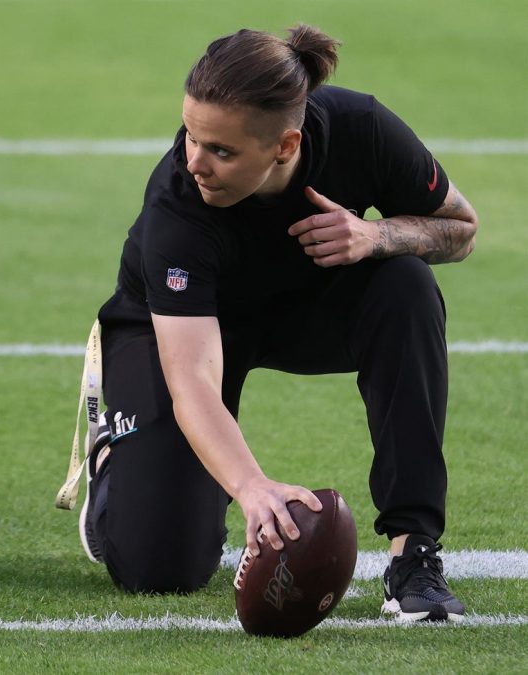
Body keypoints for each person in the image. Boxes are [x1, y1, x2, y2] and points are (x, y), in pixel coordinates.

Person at [59, 24, 478, 623]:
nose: (194, 162)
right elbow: (193, 383)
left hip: (303, 308)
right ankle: (114, 464)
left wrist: (377, 235)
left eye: (222, 151)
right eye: (190, 136)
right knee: (160, 570)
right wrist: (252, 488)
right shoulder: (177, 206)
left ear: (285, 146)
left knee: (405, 284)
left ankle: (415, 556)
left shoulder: (362, 129)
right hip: (179, 331)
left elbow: (461, 228)